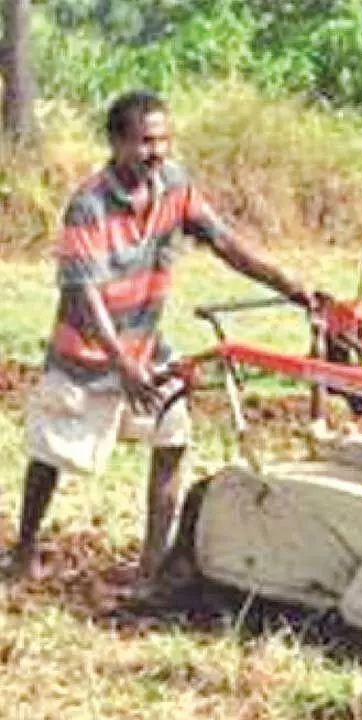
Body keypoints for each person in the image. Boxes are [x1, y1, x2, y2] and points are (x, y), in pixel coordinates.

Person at [1, 89, 316, 595]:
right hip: (88, 354)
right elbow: (82, 294)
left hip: (145, 347)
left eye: (164, 140)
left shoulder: (175, 186)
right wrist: (120, 362)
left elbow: (226, 242)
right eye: (146, 142)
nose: (158, 152)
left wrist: (291, 286)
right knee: (52, 453)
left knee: (172, 440)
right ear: (116, 143)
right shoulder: (88, 205)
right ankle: (23, 552)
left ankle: (151, 569)